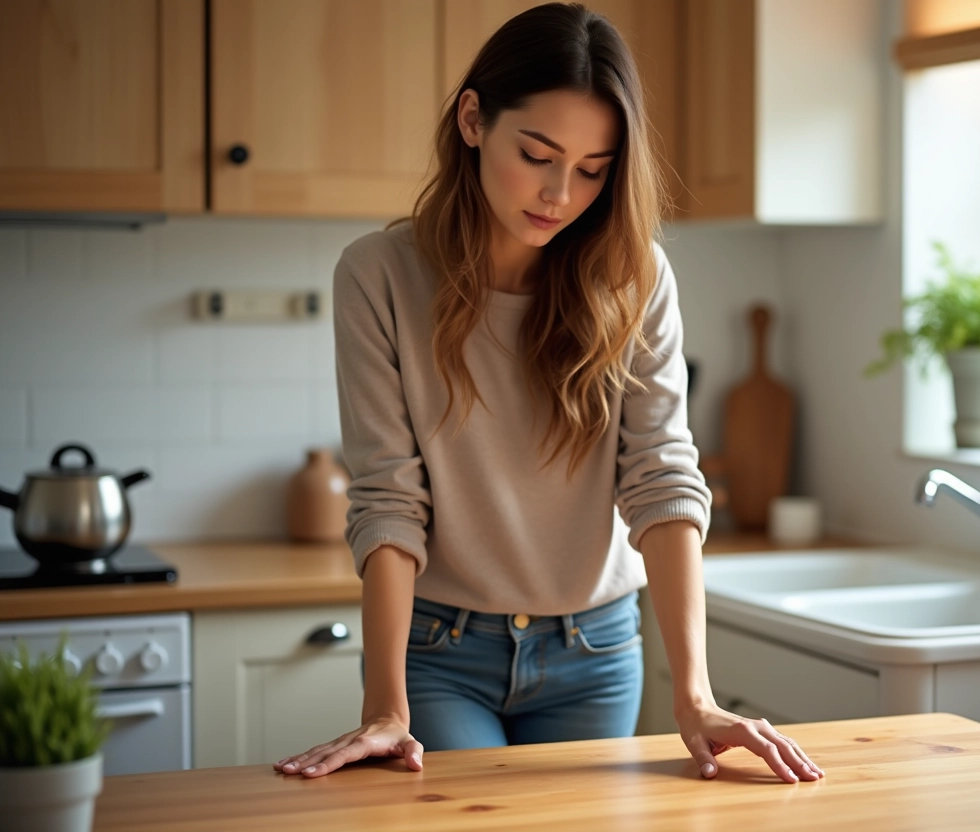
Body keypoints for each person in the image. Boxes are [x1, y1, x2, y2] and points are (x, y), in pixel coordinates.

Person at [274, 2, 824, 785]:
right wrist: (385, 707)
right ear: (473, 120)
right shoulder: (377, 275)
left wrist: (697, 695)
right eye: (537, 154)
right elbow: (388, 499)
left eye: (594, 169)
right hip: (440, 653)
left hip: (596, 654)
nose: (561, 193)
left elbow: (662, 477)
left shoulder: (636, 278)